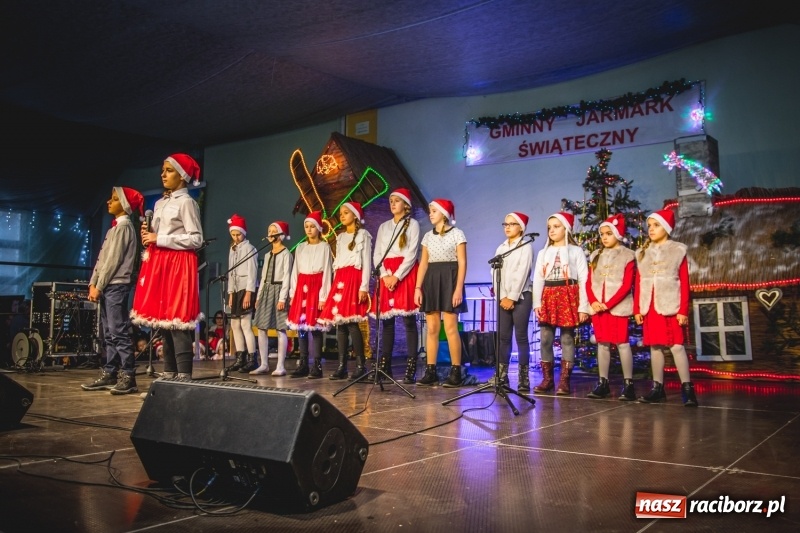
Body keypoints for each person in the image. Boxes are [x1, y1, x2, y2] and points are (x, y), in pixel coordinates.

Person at [131, 153, 203, 382]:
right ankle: (169, 373)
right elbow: (158, 234)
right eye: (162, 170)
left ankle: (183, 376)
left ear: (182, 176)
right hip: (159, 263)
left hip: (178, 264)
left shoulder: (187, 203)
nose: (163, 174)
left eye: (169, 170)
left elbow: (196, 239)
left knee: (177, 321)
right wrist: (150, 237)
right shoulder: (160, 202)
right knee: (163, 320)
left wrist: (159, 238)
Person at [81, 186, 143, 394]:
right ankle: (110, 372)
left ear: (124, 205)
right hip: (108, 284)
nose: (109, 201)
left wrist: (99, 285)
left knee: (118, 330)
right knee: (108, 332)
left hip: (116, 285)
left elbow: (113, 261)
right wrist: (94, 283)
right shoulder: (114, 228)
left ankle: (128, 375)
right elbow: (102, 261)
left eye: (114, 199)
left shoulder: (125, 227)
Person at [634, 209, 698, 406]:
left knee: (677, 346)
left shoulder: (678, 250)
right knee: (655, 346)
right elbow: (639, 282)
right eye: (650, 226)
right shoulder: (642, 253)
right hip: (650, 306)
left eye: (656, 225)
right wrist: (637, 308)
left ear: (667, 228)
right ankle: (657, 387)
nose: (651, 229)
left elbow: (685, 283)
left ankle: (687, 388)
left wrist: (682, 310)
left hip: (670, 305)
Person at [532, 211, 590, 395]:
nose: (552, 230)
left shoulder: (576, 251)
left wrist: (583, 306)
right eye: (550, 227)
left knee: (566, 338)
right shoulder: (543, 252)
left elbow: (584, 278)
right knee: (546, 339)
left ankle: (564, 380)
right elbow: (539, 278)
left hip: (568, 294)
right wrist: (536, 303)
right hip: (548, 294)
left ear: (566, 228)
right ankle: (547, 379)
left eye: (557, 226)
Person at [414, 199, 467, 388]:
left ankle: (456, 371)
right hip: (432, 281)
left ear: (444, 213)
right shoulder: (428, 236)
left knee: (451, 327)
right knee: (432, 328)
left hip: (450, 280)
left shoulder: (457, 234)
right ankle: (431, 371)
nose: (430, 213)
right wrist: (418, 287)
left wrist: (458, 288)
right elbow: (424, 264)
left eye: (434, 210)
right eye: (430, 210)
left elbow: (462, 263)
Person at [371, 188, 421, 383]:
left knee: (408, 321)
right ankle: (386, 365)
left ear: (406, 205)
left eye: (397, 201)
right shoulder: (384, 227)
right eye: (391, 200)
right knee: (387, 322)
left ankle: (411, 366)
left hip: (404, 273)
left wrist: (397, 276)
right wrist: (384, 275)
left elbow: (412, 253)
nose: (392, 204)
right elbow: (377, 254)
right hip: (387, 273)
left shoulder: (413, 224)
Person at [318, 202, 372, 381]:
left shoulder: (364, 235)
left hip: (354, 280)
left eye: (346, 213)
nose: (342, 216)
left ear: (355, 216)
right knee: (340, 324)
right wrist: (334, 285)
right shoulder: (340, 237)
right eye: (341, 213)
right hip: (340, 279)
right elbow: (338, 262)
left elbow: (366, 263)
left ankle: (360, 365)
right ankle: (342, 366)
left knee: (352, 323)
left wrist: (363, 286)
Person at [585, 214, 637, 400]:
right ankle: (603, 382)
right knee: (602, 344)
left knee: (622, 344)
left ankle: (628, 384)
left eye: (609, 233)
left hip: (616, 307)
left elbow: (626, 286)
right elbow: (589, 282)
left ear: (618, 234)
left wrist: (608, 304)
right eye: (602, 234)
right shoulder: (596, 256)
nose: (604, 237)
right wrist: (593, 302)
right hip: (598, 308)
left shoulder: (628, 256)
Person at [486, 212, 534, 390]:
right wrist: (502, 296)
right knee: (503, 337)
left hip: (521, 296)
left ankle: (523, 377)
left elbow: (523, 273)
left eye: (512, 224)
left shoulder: (525, 246)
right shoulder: (501, 248)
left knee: (521, 336)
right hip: (503, 297)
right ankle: (501, 375)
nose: (507, 227)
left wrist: (512, 296)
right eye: (505, 224)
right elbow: (494, 272)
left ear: (521, 227)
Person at [287, 211, 333, 379]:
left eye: (312, 226)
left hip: (316, 287)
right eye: (306, 226)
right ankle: (303, 363)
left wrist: (323, 296)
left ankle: (317, 365)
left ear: (319, 228)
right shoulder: (300, 248)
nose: (309, 229)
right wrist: (293, 293)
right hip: (302, 287)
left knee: (315, 328)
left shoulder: (324, 247)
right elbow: (295, 272)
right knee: (301, 327)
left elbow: (328, 271)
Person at [252, 221, 294, 376]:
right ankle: (264, 363)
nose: (270, 233)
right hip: (266, 291)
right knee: (261, 327)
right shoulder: (267, 254)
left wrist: (282, 298)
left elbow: (287, 277)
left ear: (281, 234)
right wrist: (259, 295)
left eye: (273, 230)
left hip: (278, 291)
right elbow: (263, 278)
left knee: (280, 328)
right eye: (269, 230)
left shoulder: (286, 254)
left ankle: (280, 365)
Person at [222, 214, 259, 373]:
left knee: (245, 324)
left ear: (244, 233)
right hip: (236, 290)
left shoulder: (250, 248)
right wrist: (230, 293)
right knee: (235, 324)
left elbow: (253, 272)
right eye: (233, 234)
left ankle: (252, 358)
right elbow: (231, 272)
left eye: (238, 234)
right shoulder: (233, 248)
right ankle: (240, 357)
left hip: (246, 289)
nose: (236, 237)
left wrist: (249, 293)